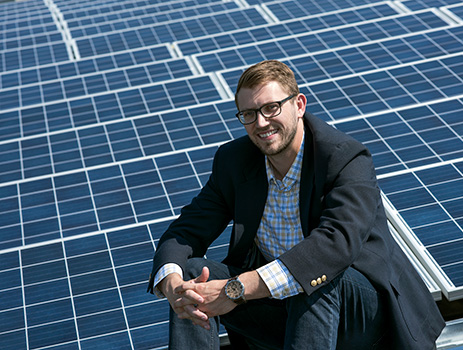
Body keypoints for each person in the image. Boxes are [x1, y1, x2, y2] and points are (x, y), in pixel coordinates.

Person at [148, 60, 445, 349]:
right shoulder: (234, 162)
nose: (261, 122)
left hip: (364, 317)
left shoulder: (344, 158)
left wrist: (234, 290)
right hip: (287, 312)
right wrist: (174, 285)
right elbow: (186, 231)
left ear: (299, 105)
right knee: (192, 277)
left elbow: (334, 246)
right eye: (249, 114)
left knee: (313, 274)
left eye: (271, 108)